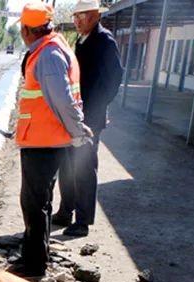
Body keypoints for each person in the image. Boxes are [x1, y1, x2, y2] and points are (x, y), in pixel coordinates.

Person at [10, 1, 93, 279]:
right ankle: (35, 257)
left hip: (44, 142)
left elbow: (62, 99)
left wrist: (79, 131)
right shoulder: (50, 48)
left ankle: (34, 265)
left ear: (26, 30)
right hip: (43, 139)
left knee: (35, 203)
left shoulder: (48, 55)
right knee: (35, 202)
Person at [53, 0, 124, 237]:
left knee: (83, 167)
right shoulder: (82, 40)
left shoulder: (104, 41)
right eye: (74, 16)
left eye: (79, 16)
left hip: (90, 119)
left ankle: (83, 221)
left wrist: (95, 110)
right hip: (75, 116)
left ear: (93, 16)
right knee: (67, 165)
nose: (75, 21)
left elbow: (114, 80)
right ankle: (65, 211)